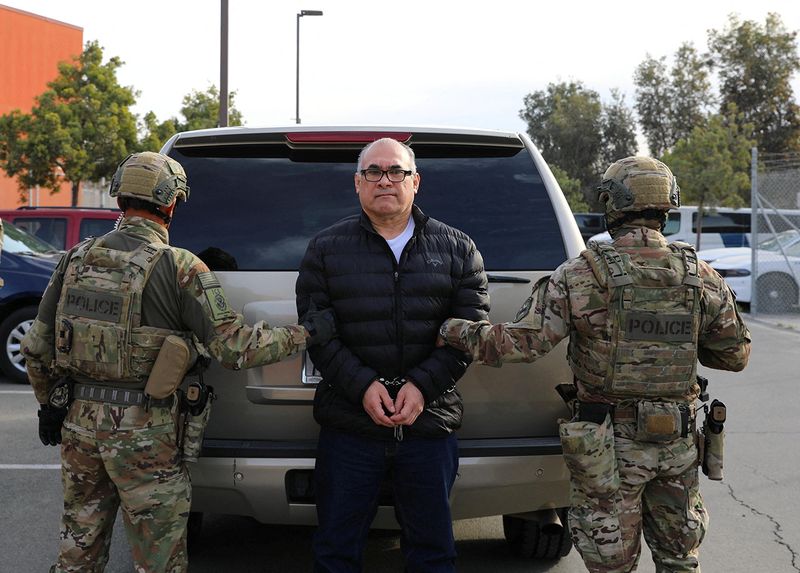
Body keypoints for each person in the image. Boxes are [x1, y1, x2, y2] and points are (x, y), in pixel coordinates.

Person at [21, 151, 334, 573]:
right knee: (158, 556)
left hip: (80, 426)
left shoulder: (74, 259)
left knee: (79, 545)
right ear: (171, 204)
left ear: (119, 200)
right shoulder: (181, 267)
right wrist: (309, 332)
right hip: (145, 434)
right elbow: (235, 349)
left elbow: (37, 348)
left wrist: (49, 406)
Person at [439, 156, 751, 573]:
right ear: (667, 204)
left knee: (611, 564)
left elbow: (520, 345)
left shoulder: (581, 275)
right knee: (680, 559)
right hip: (676, 445)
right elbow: (735, 355)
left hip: (606, 447)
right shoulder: (701, 275)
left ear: (612, 203)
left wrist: (450, 329)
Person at [296, 137, 489, 572]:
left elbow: (466, 334)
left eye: (396, 171)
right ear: (358, 184)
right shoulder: (325, 250)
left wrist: (421, 387)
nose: (386, 180)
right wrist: (363, 386)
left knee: (434, 553)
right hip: (349, 426)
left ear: (415, 181)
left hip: (429, 425)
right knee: (336, 551)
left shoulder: (458, 249)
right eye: (374, 172)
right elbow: (319, 335)